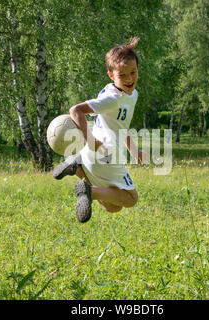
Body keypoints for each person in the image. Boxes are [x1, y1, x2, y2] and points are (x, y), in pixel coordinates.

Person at [52, 37, 148, 223]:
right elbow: (75, 110)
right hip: (105, 153)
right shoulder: (112, 99)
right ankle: (88, 187)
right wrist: (91, 142)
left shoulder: (128, 94)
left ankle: (78, 168)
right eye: (122, 75)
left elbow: (120, 125)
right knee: (130, 198)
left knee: (113, 206)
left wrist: (134, 150)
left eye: (133, 72)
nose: (129, 79)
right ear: (111, 75)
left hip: (92, 156)